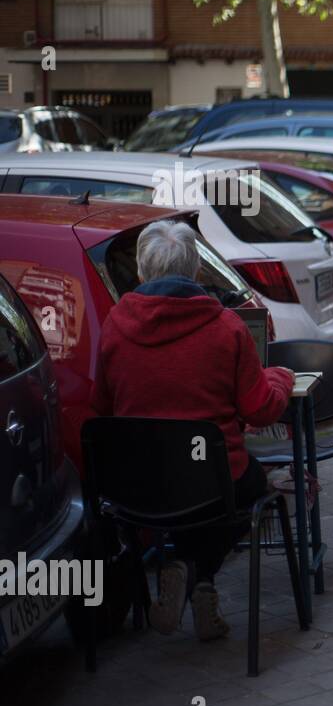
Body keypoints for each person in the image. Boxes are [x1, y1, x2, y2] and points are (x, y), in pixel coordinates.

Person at [90, 220, 295, 641]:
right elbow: (260, 409)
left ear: (143, 274)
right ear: (198, 273)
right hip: (214, 483)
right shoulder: (227, 328)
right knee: (252, 487)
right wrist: (281, 378)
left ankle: (196, 584)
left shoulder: (113, 326)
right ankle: (196, 573)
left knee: (189, 493)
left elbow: (102, 409)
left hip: (136, 488)